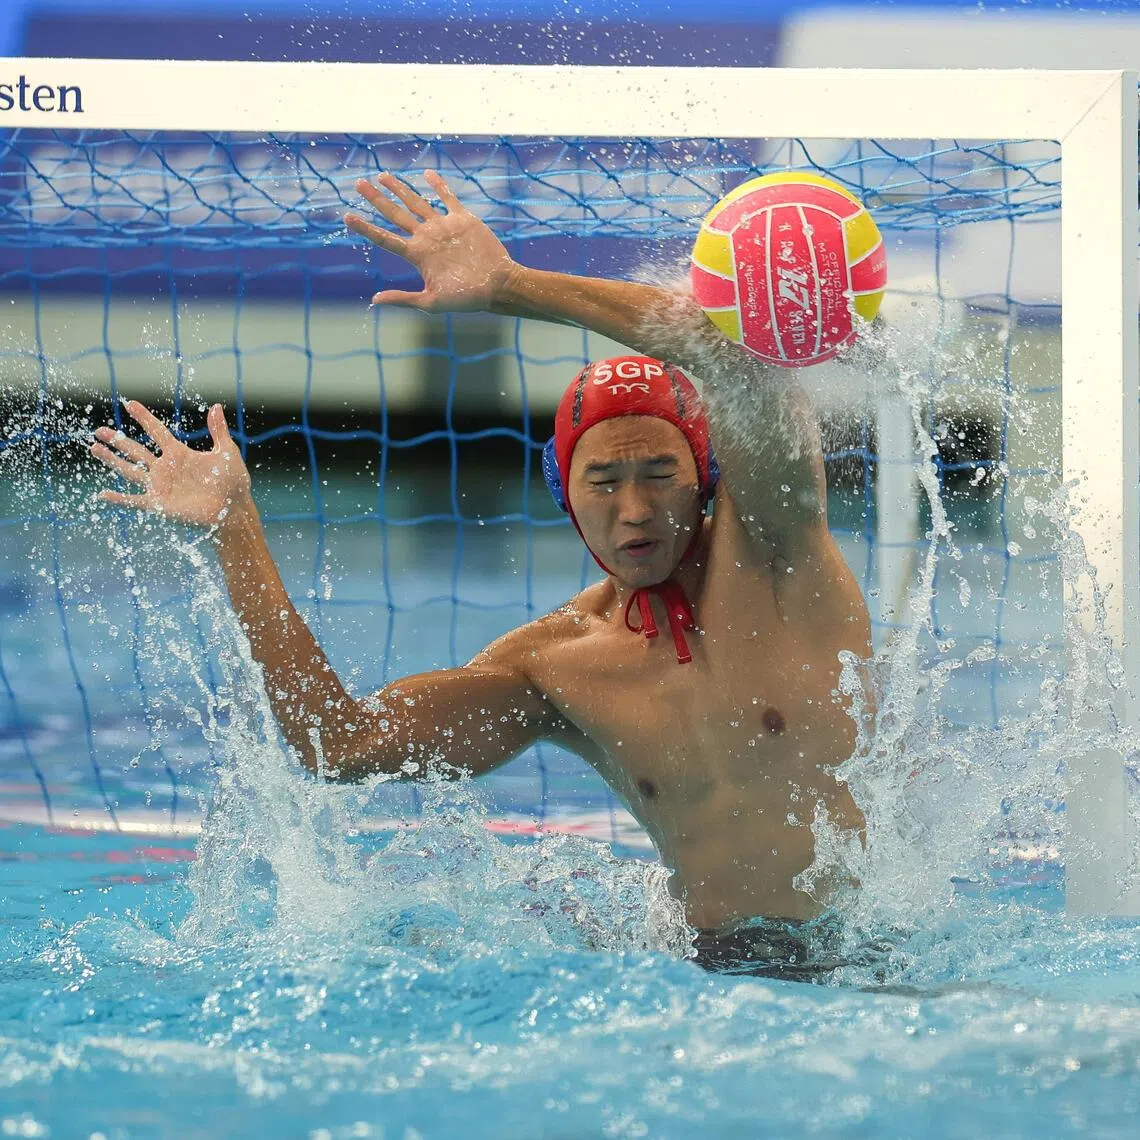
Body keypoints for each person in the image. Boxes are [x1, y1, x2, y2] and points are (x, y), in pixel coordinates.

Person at [88, 170, 873, 981]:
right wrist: (236, 532)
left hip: (861, 960)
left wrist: (509, 285)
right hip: (704, 976)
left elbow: (737, 361)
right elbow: (338, 747)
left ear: (705, 478)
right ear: (565, 496)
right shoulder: (557, 663)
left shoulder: (781, 558)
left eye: (659, 474)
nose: (633, 509)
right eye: (604, 482)